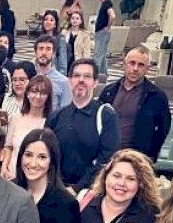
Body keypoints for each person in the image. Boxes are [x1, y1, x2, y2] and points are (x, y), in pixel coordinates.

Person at [47, 58, 119, 191]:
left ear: (95, 82)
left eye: (87, 76)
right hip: (57, 189)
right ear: (69, 81)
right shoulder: (55, 116)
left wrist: (78, 188)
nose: (81, 80)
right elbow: (47, 154)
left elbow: (106, 158)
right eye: (76, 76)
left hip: (91, 192)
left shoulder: (106, 116)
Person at [98, 45, 171, 161]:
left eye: (141, 65)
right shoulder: (109, 91)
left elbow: (163, 130)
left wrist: (149, 157)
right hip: (107, 156)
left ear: (147, 69)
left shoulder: (157, 97)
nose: (135, 68)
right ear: (124, 64)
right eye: (132, 63)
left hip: (136, 159)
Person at [4, 76, 53, 177]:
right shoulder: (16, 118)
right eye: (34, 91)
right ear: (27, 93)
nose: (38, 96)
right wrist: (4, 167)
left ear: (48, 96)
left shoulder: (50, 122)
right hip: (12, 175)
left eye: (43, 93)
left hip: (35, 176)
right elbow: (8, 147)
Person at [34, 35, 74, 112]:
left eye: (48, 49)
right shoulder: (29, 76)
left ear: (53, 53)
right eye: (41, 49)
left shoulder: (64, 82)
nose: (44, 53)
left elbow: (66, 112)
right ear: (36, 52)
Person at [58, 10, 95, 77]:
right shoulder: (64, 32)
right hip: (66, 61)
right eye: (73, 18)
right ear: (70, 20)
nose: (75, 20)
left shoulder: (85, 34)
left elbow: (86, 51)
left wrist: (85, 64)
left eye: (77, 18)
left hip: (78, 61)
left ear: (81, 21)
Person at [93, 0, 117, 78]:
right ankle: (104, 75)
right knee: (102, 55)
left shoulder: (107, 3)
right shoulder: (105, 3)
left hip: (102, 32)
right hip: (102, 32)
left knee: (97, 54)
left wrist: (108, 26)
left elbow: (113, 16)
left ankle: (95, 75)